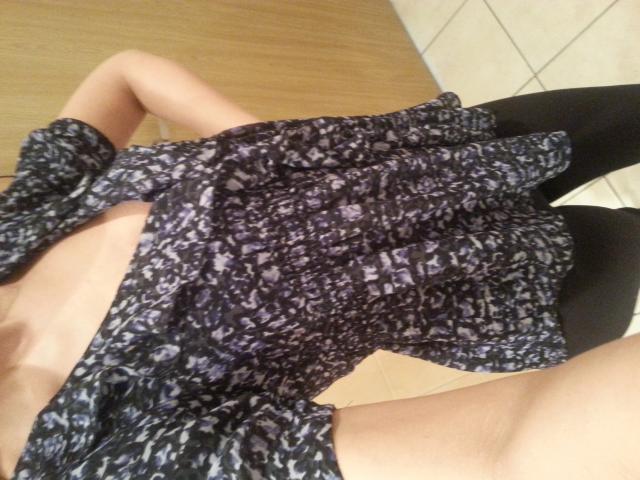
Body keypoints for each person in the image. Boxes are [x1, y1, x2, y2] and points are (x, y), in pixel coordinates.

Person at [0, 49, 638, 479]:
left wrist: (277, 149)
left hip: (454, 152)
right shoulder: (92, 456)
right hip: (500, 287)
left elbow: (125, 74)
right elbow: (502, 448)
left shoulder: (13, 233)